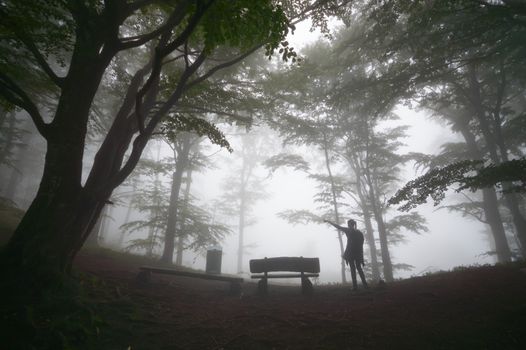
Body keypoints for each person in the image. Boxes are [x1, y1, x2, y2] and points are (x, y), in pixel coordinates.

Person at [325, 219, 368, 290]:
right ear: (353, 224)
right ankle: (365, 285)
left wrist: (329, 222)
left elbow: (338, 227)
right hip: (358, 253)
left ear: (349, 224)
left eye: (348, 224)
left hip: (351, 253)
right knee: (359, 268)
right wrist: (361, 256)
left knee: (353, 269)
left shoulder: (348, 230)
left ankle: (355, 286)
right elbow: (361, 245)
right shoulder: (359, 233)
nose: (348, 225)